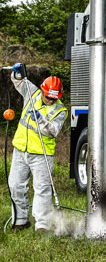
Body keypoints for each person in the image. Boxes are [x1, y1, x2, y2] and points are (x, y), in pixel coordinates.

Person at [8, 63, 67, 232]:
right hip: (21, 150)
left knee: (42, 189)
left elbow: (53, 131)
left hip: (41, 155)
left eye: (53, 98)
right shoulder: (32, 92)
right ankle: (20, 221)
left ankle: (42, 226)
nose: (49, 100)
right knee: (15, 186)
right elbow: (18, 82)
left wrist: (40, 119)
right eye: (47, 96)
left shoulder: (60, 110)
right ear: (42, 90)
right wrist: (17, 73)